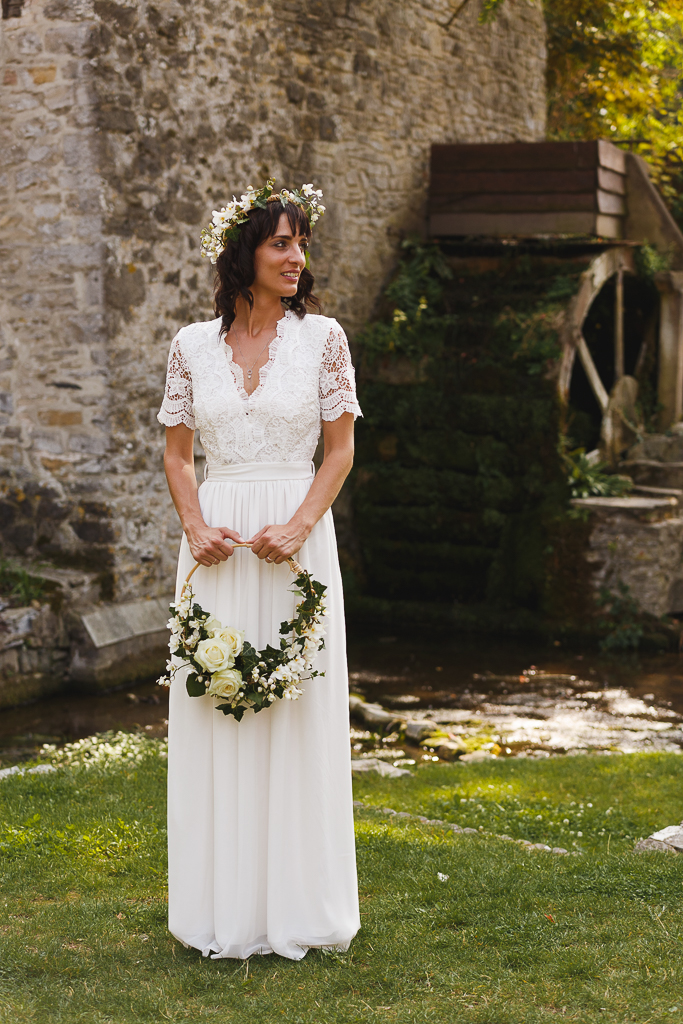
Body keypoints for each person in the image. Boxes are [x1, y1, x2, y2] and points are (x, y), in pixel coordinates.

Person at [157, 182, 362, 960]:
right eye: (281, 242)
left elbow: (339, 449)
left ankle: (297, 908)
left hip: (295, 538)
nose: (296, 257)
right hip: (213, 545)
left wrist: (303, 523)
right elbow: (178, 454)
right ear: (242, 253)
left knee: (294, 711)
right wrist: (195, 524)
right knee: (216, 707)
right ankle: (218, 907)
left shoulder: (324, 339)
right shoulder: (189, 346)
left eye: (300, 243)